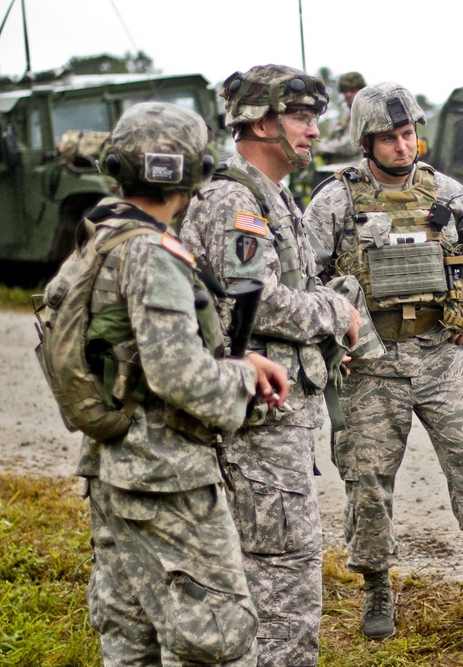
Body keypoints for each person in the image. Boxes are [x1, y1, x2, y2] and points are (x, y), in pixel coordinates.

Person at [69, 102, 291, 666]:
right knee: (214, 642)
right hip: (167, 476)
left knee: (131, 637)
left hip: (111, 464)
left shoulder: (101, 236)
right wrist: (244, 378)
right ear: (194, 170)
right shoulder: (153, 252)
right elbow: (179, 376)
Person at [303, 81, 463, 639]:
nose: (403, 147)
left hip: (443, 359)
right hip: (372, 365)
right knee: (368, 481)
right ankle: (376, 588)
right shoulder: (335, 200)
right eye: (390, 138)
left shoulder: (449, 194)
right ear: (367, 142)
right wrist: (336, 342)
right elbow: (303, 280)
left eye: (409, 135)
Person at [180, 64, 360, 667]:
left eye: (315, 117)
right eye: (302, 117)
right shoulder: (234, 196)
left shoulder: (272, 192)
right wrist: (335, 309)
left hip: (277, 414)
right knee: (284, 572)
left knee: (276, 565)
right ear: (261, 121)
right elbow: (255, 300)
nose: (314, 130)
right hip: (257, 418)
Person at [317, 71, 366, 165]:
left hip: (357, 168)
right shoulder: (345, 115)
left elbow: (352, 145)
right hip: (339, 168)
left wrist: (323, 147)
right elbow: (333, 136)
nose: (348, 94)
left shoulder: (366, 114)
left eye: (352, 90)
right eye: (345, 91)